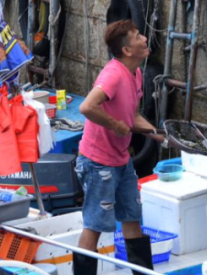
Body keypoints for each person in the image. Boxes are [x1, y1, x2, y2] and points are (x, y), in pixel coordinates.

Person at [75, 20, 162, 275]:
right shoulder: (113, 74)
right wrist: (114, 124)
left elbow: (132, 117)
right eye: (137, 37)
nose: (144, 39)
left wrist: (160, 135)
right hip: (97, 162)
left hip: (122, 161)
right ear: (126, 50)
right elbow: (87, 107)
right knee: (95, 225)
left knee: (132, 218)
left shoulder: (135, 73)